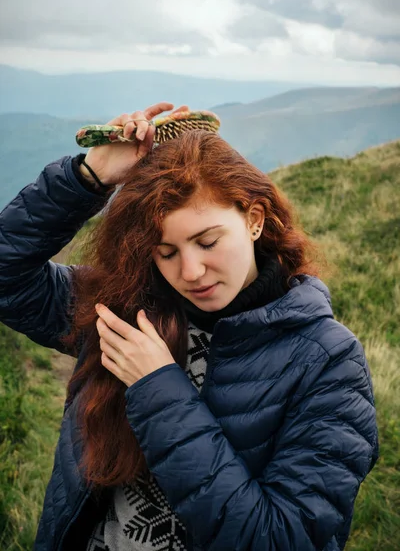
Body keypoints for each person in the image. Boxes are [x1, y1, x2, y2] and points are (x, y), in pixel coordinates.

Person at [0, 101, 378, 551]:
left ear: (254, 220)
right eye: (166, 251)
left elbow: (283, 537)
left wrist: (158, 387)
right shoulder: (126, 310)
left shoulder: (328, 361)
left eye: (208, 241)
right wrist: (88, 177)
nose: (192, 271)